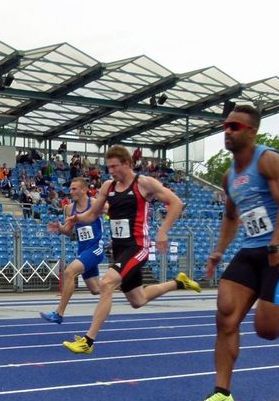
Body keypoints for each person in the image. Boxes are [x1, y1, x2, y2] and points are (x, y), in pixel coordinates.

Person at [187, 105, 279, 401]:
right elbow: (231, 216)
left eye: (235, 127)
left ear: (251, 132)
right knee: (225, 317)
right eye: (225, 126)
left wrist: (276, 244)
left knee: (267, 330)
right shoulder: (228, 175)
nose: (228, 132)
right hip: (251, 249)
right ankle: (222, 393)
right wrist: (218, 251)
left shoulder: (268, 161)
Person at [61, 144, 201, 354]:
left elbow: (176, 203)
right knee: (138, 300)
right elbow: (93, 214)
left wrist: (163, 231)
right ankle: (178, 282)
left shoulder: (143, 183)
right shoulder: (107, 186)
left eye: (115, 166)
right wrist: (76, 218)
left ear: (127, 163)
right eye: (108, 167)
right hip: (119, 248)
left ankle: (88, 341)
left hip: (138, 246)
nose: (111, 171)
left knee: (107, 283)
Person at [40, 178, 104, 324]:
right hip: (83, 249)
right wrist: (59, 228)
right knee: (96, 289)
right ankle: (124, 284)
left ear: (84, 189)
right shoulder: (69, 208)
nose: (71, 192)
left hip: (95, 248)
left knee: (69, 271)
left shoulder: (94, 204)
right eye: (70, 189)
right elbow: (70, 232)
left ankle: (59, 313)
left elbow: (111, 210)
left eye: (74, 189)